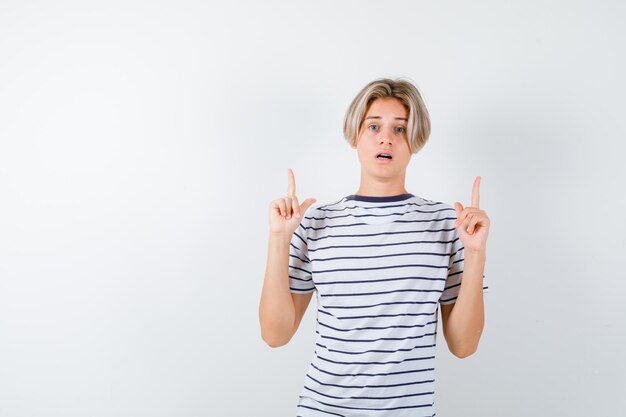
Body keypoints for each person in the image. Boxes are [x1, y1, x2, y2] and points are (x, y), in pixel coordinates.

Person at [259, 77, 490, 417]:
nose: (386, 137)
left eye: (400, 129)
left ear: (416, 141)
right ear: (355, 135)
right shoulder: (316, 222)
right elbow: (274, 334)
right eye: (373, 126)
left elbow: (463, 345)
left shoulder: (449, 225)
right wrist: (279, 238)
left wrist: (475, 254)